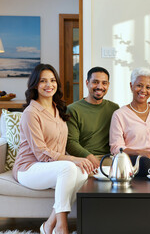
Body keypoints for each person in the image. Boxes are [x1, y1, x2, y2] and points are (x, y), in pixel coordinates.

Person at [12, 64, 94, 234]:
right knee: (70, 167)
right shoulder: (31, 113)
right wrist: (74, 159)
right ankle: (61, 227)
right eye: (43, 81)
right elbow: (41, 153)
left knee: (83, 171)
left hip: (51, 167)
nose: (49, 85)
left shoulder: (58, 109)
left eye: (52, 80)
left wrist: (79, 161)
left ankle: (49, 224)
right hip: (28, 169)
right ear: (35, 84)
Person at [109, 68, 150, 176]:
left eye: (148, 87)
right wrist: (140, 152)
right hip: (135, 159)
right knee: (145, 163)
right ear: (131, 86)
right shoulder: (119, 114)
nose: (143, 90)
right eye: (139, 85)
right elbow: (116, 148)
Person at [66, 67, 119, 168]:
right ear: (87, 83)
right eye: (95, 82)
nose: (100, 86)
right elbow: (71, 143)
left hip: (110, 158)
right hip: (84, 159)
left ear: (108, 85)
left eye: (104, 83)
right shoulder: (72, 109)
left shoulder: (114, 108)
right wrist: (89, 157)